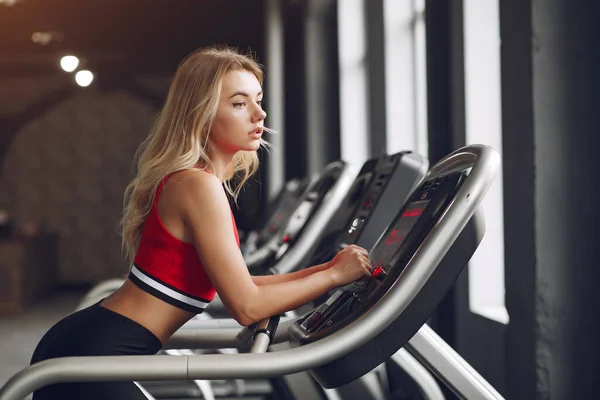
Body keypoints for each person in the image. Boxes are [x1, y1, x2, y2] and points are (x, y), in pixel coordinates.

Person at [30, 46, 373, 399]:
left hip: (87, 344)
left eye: (258, 99)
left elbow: (244, 284)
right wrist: (334, 277)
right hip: (93, 354)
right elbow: (247, 306)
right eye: (239, 104)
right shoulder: (197, 184)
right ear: (202, 114)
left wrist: (329, 269)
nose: (260, 114)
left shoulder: (195, 181)